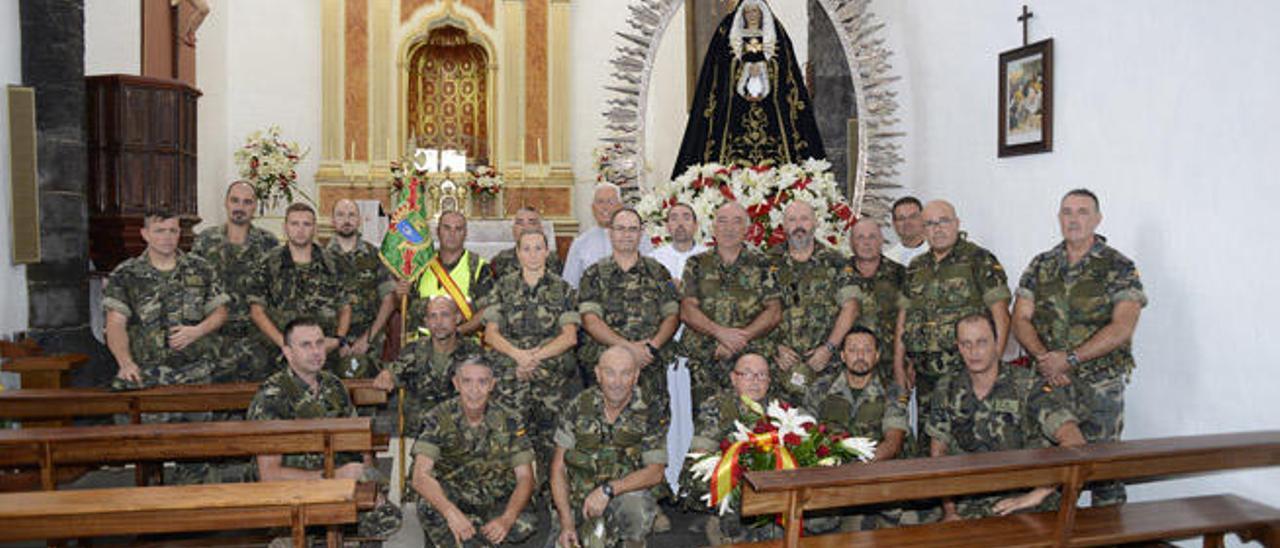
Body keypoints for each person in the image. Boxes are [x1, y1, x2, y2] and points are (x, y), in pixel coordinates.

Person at [1012, 189, 1146, 507]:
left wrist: (1069, 359)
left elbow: (1122, 326)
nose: (1074, 219)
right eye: (1067, 212)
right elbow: (1021, 319)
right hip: (1048, 383)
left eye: (1082, 212)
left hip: (1100, 386)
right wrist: (1047, 360)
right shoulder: (1041, 264)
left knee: (1104, 474)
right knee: (1047, 470)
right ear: (1059, 218)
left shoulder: (1119, 266)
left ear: (1097, 219)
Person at [247, 317, 402, 539]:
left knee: (388, 519)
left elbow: (358, 439)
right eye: (306, 345)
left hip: (338, 483)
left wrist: (369, 484)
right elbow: (269, 475)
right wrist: (334, 476)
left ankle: (330, 535)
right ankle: (300, 537)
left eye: (320, 343)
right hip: (293, 492)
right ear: (288, 352)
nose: (316, 351)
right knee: (304, 530)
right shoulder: (272, 397)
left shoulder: (333, 385)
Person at [927, 314, 1086, 521]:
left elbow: (1075, 442)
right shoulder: (947, 387)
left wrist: (1035, 496)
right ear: (958, 346)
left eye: (982, 342)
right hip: (969, 504)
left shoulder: (1026, 386)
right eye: (966, 344)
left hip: (1026, 503)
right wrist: (950, 512)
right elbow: (938, 456)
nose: (973, 352)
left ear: (997, 341)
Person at [894, 200, 1011, 455]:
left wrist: (994, 368)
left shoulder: (979, 260)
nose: (937, 229)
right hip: (925, 378)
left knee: (966, 448)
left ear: (957, 224)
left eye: (943, 221)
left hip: (966, 376)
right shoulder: (916, 267)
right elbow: (904, 318)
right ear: (923, 230)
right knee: (929, 449)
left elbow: (1001, 316)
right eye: (930, 224)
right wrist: (899, 366)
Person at [670, 0, 824, 177]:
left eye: (756, 12)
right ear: (743, 14)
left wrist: (764, 68)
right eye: (749, 12)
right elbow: (720, 72)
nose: (752, 16)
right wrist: (744, 68)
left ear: (761, 13)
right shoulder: (726, 32)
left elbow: (785, 71)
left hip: (771, 113)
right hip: (734, 113)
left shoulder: (776, 33)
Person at [482, 229, 580, 486]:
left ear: (547, 252)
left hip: (551, 383)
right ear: (517, 253)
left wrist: (534, 357)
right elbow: (491, 334)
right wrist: (519, 356)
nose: (533, 254)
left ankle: (553, 504)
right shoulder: (503, 287)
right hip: (512, 382)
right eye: (526, 248)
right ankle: (515, 507)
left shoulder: (563, 289)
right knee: (512, 444)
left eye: (538, 248)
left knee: (552, 446)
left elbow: (569, 337)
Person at [410, 356, 538, 547]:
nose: (474, 390)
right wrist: (451, 513)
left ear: (492, 385)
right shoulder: (438, 417)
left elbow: (525, 477)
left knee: (526, 521)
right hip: (455, 497)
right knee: (429, 506)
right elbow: (420, 476)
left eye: (482, 382)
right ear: (456, 384)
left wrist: (507, 519)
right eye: (467, 381)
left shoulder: (510, 419)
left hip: (495, 497)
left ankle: (473, 539)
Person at [806, 327, 923, 530]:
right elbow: (804, 434)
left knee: (903, 522)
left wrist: (854, 470)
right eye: (853, 350)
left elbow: (893, 443)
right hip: (829, 477)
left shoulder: (893, 391)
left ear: (877, 356)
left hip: (877, 476)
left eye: (867, 350)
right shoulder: (820, 389)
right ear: (842, 356)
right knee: (814, 522)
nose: (860, 356)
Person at [551, 346, 667, 548]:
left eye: (625, 373)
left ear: (636, 375)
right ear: (597, 374)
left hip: (623, 496)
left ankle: (632, 540)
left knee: (636, 508)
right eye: (610, 373)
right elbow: (558, 468)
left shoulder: (650, 409)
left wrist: (608, 490)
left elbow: (655, 472)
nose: (617, 382)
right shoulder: (578, 406)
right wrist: (566, 522)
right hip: (579, 498)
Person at [104, 208, 228, 390]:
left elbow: (220, 312)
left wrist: (198, 331)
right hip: (146, 373)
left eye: (173, 230)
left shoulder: (201, 268)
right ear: (145, 234)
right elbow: (115, 325)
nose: (167, 237)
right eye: (159, 231)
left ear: (179, 233)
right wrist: (125, 363)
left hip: (196, 373)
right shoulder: (126, 274)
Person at [680, 353, 793, 544]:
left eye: (761, 375)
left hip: (768, 483)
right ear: (733, 378)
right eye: (747, 374)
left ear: (769, 380)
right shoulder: (718, 405)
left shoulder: (779, 408)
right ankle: (721, 523)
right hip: (726, 478)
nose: (755, 381)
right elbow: (701, 454)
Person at [578, 208, 681, 410]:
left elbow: (673, 314)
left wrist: (651, 347)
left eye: (632, 229)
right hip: (608, 373)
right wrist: (628, 349)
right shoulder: (594, 274)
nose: (626, 234)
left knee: (653, 433)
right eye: (621, 228)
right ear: (610, 232)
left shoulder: (658, 272)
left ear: (641, 233)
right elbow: (590, 320)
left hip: (650, 368)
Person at [680, 201, 781, 405]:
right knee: (708, 425)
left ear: (747, 229)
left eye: (736, 222)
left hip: (752, 367)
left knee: (755, 426)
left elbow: (774, 311)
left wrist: (740, 339)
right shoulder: (696, 263)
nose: (729, 228)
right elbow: (687, 309)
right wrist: (719, 333)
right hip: (706, 362)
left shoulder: (763, 263)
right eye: (722, 221)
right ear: (714, 228)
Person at [247, 203, 352, 376]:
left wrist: (338, 340)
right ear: (285, 227)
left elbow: (345, 307)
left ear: (315, 228)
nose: (300, 230)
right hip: (279, 356)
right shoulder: (268, 263)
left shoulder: (333, 263)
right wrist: (286, 345)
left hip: (323, 357)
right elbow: (257, 311)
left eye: (306, 224)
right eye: (294, 224)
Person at [192, 180, 280, 382]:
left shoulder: (269, 243)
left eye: (247, 202)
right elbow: (194, 291)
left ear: (255, 207)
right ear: (226, 203)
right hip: (216, 340)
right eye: (235, 200)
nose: (240, 207)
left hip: (259, 340)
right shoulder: (205, 242)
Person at [770, 201, 858, 398]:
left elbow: (850, 307)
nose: (798, 225)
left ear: (815, 223)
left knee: (824, 427)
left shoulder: (835, 261)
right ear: (783, 225)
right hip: (779, 366)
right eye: (792, 220)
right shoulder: (767, 262)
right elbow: (755, 310)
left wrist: (828, 348)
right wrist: (774, 347)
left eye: (804, 219)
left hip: (825, 367)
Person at [374, 295, 482, 436]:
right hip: (423, 433)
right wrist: (387, 375)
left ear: (457, 318)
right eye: (433, 316)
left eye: (445, 315)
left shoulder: (472, 352)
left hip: (463, 434)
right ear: (426, 322)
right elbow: (392, 374)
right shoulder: (414, 351)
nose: (438, 322)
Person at [327, 199, 397, 378]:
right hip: (330, 344)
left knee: (367, 397)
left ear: (359, 220)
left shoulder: (373, 255)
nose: (346, 220)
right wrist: (337, 342)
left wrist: (368, 337)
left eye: (352, 215)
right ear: (332, 221)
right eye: (340, 215)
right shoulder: (321, 257)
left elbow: (389, 299)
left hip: (368, 342)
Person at [397, 211, 492, 338]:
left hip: (463, 343)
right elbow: (406, 307)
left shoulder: (479, 267)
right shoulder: (420, 265)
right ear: (438, 231)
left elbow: (487, 311)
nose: (452, 234)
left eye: (458, 229)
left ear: (465, 233)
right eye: (447, 228)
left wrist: (457, 333)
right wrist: (400, 294)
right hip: (421, 345)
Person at [562, 183, 653, 288]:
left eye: (610, 202)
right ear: (593, 208)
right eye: (600, 202)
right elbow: (569, 285)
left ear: (620, 206)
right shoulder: (580, 243)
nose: (605, 207)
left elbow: (652, 277)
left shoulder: (639, 238)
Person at [849, 219, 906, 380]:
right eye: (860, 237)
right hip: (846, 369)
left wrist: (906, 364)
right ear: (852, 243)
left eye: (872, 237)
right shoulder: (838, 274)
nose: (866, 243)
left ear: (881, 241)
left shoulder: (901, 275)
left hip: (889, 367)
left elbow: (912, 323)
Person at [486, 206, 564, 282]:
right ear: (513, 230)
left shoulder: (553, 260)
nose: (525, 227)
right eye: (520, 223)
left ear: (541, 228)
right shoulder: (501, 261)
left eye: (532, 222)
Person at [650, 203, 708, 290]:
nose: (680, 224)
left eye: (686, 218)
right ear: (667, 227)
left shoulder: (708, 256)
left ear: (696, 226)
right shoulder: (653, 259)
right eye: (674, 219)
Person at [884, 197, 929, 267]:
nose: (907, 222)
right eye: (901, 218)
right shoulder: (889, 259)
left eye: (913, 217)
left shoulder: (940, 252)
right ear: (894, 224)